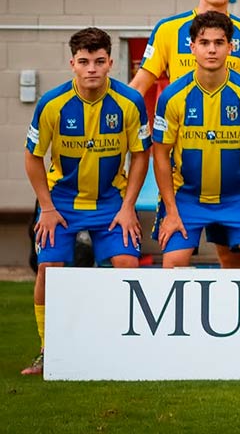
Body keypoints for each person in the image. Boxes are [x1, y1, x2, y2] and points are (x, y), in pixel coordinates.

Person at [21, 27, 151, 375]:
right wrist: (46, 208)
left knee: (127, 265)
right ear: (72, 64)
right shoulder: (52, 103)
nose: (91, 68)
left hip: (112, 202)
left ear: (110, 62)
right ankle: (48, 350)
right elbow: (33, 157)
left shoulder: (129, 102)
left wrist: (128, 208)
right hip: (60, 202)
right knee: (49, 270)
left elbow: (141, 155)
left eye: (98, 61)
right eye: (83, 61)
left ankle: (121, 347)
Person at [130, 0, 240, 269]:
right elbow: (137, 89)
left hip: (232, 161)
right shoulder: (169, 30)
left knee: (233, 255)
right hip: (185, 163)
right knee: (175, 261)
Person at [152, 11, 240, 269]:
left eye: (219, 43)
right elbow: (161, 154)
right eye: (204, 43)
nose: (212, 50)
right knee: (172, 265)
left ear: (230, 47)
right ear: (192, 47)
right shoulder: (172, 96)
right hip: (187, 198)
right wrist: (171, 211)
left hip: (239, 198)